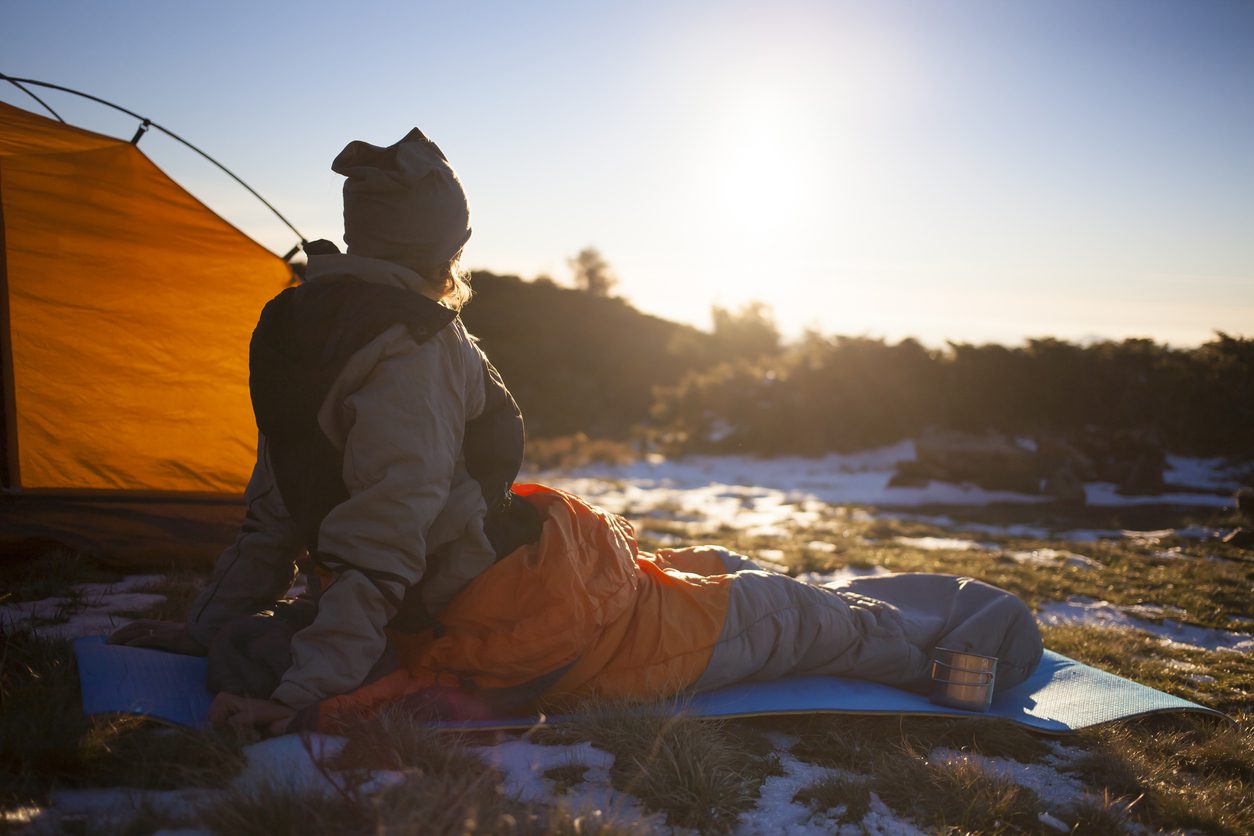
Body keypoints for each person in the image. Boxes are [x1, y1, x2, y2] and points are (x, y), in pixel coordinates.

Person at [111, 129, 1043, 735]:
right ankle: (956, 655)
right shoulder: (411, 347)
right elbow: (382, 537)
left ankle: (785, 594)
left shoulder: (297, 328)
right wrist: (298, 696)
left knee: (716, 560)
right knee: (794, 619)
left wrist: (215, 629)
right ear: (439, 243)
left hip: (525, 576)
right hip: (531, 622)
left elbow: (276, 510)